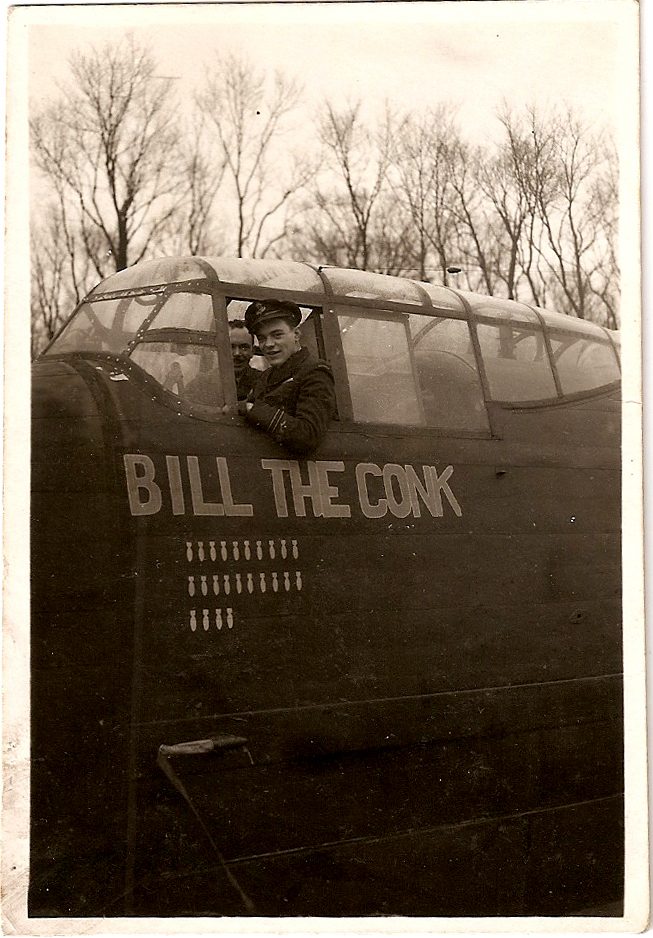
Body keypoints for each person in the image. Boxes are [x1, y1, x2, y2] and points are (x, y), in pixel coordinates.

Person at [239, 299, 336, 456]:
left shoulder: (316, 372)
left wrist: (254, 410)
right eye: (262, 338)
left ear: (296, 334)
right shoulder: (266, 377)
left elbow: (308, 436)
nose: (268, 344)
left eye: (277, 335)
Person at [228, 319, 260, 400]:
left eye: (244, 347)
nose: (237, 353)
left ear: (253, 351)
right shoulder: (205, 380)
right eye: (231, 347)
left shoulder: (263, 381)